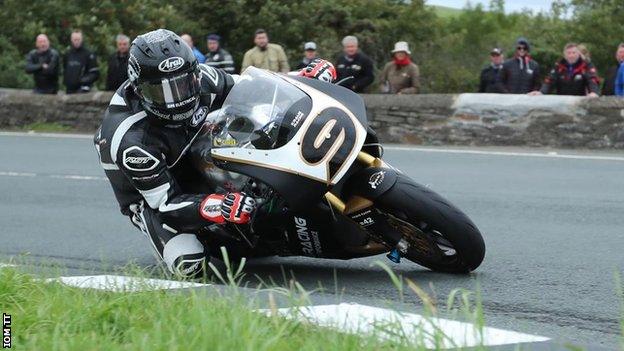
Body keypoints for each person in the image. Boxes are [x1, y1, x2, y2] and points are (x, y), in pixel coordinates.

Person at [94, 29, 332, 279]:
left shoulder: (201, 78)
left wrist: (302, 77)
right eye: (161, 92)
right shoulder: (131, 141)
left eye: (183, 84)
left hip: (193, 144)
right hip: (152, 193)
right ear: (140, 91)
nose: (178, 99)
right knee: (190, 265)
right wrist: (215, 205)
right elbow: (164, 203)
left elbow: (253, 87)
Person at [532, 43, 599, 97]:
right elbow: (549, 80)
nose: (571, 55)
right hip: (562, 101)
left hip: (579, 101)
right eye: (569, 53)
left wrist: (594, 92)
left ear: (578, 54)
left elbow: (592, 79)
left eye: (573, 53)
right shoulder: (558, 65)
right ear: (565, 55)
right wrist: (541, 92)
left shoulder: (586, 65)